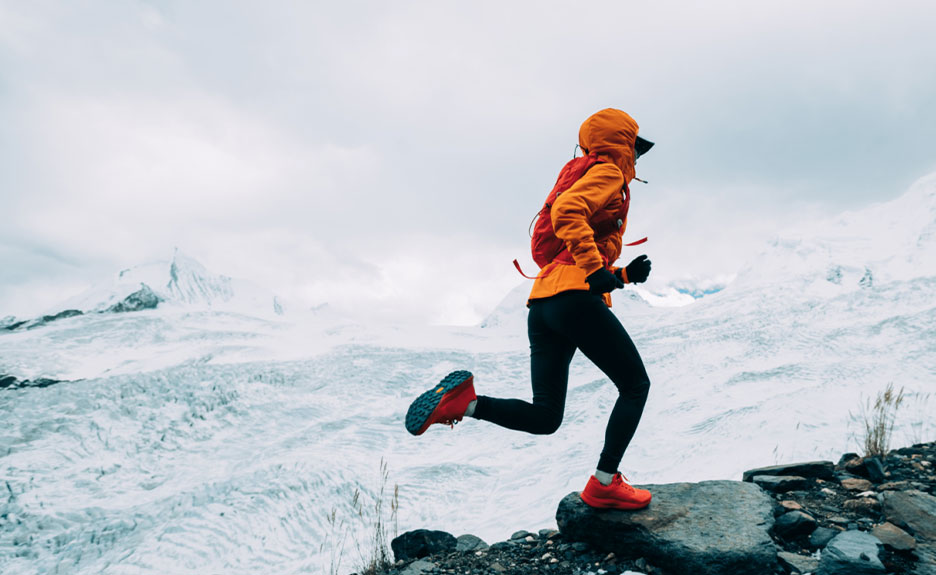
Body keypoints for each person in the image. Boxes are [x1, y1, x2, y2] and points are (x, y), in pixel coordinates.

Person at [404, 108, 654, 510]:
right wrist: (596, 271)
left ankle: (463, 404)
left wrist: (622, 276)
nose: (637, 158)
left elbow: (568, 245)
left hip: (543, 305)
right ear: (622, 145)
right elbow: (567, 214)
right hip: (574, 300)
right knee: (635, 386)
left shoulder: (584, 171)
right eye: (635, 148)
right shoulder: (608, 173)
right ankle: (604, 483)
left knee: (546, 416)